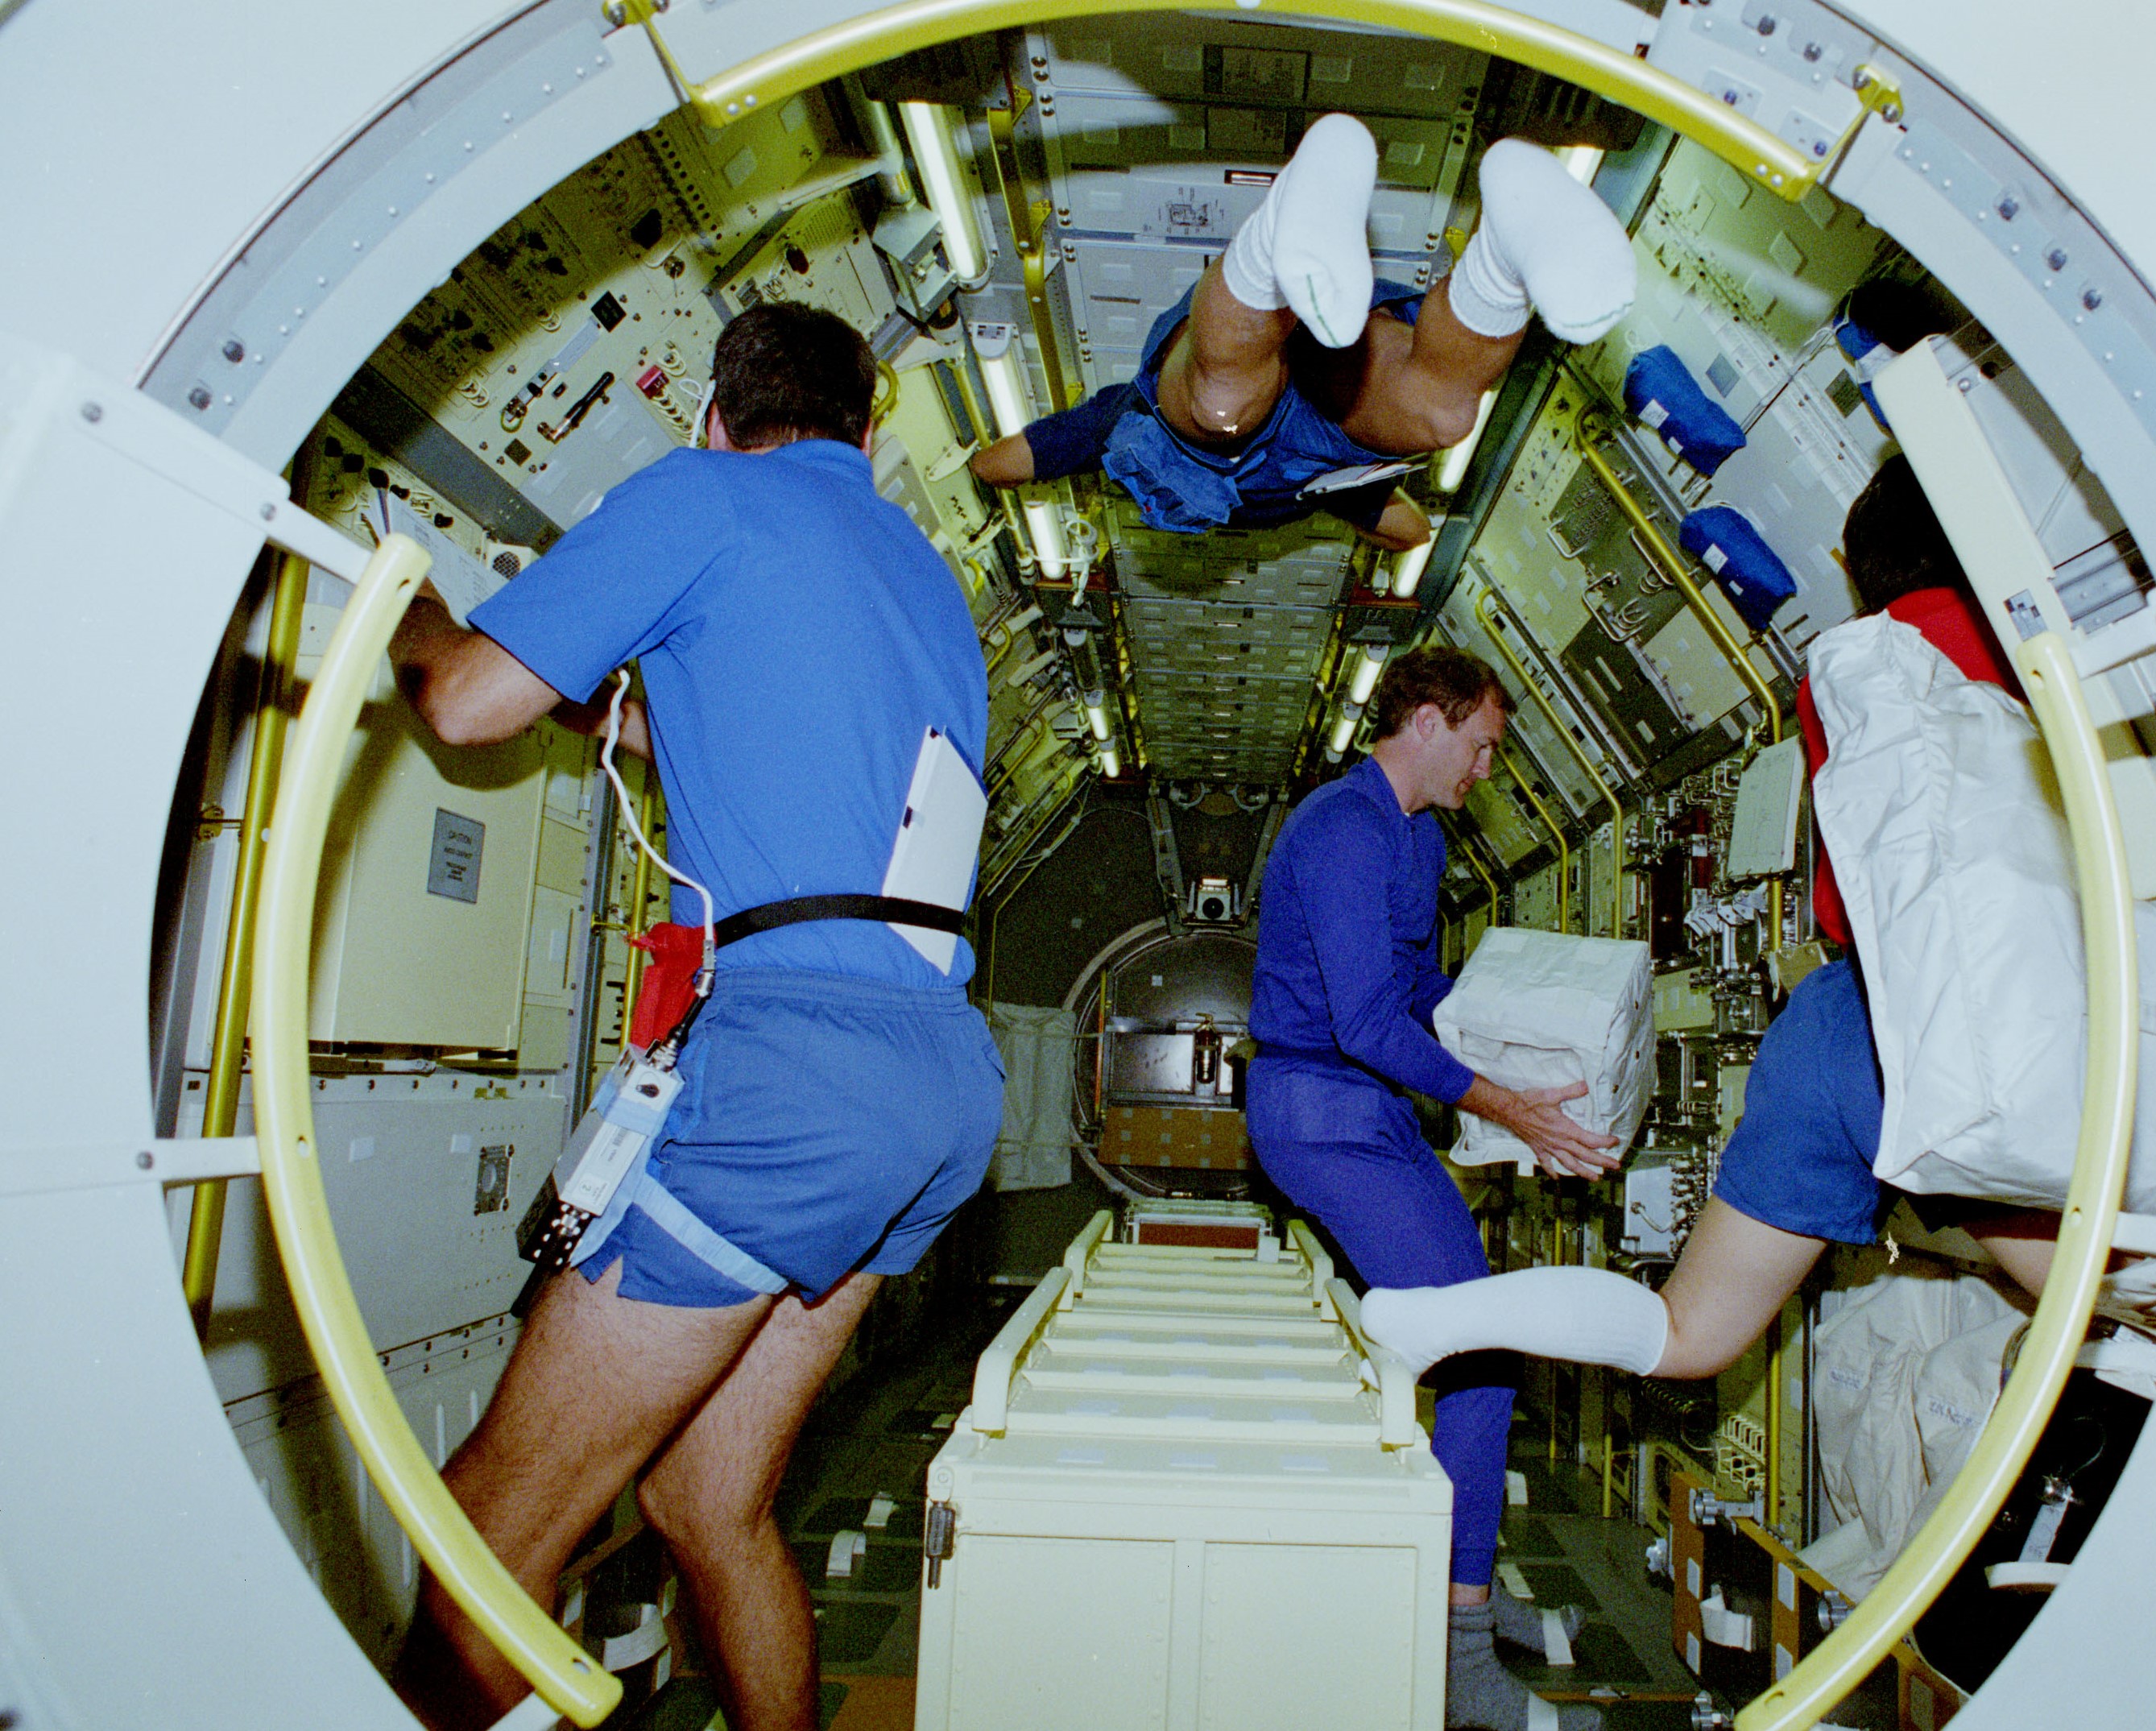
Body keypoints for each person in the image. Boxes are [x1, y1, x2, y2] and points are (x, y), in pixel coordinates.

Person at [383, 302, 1004, 1731]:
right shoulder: (919, 571)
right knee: (705, 1500)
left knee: (488, 1528)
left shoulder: (701, 493)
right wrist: (591, 686)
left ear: (712, 416)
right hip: (934, 1085)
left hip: (791, 1081)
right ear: (865, 432)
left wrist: (415, 604)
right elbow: (752, 720)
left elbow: (467, 702)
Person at [1359, 457, 2063, 1385]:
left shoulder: (1847, 668)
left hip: (1840, 1022)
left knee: (1686, 1333)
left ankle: (1437, 1321)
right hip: (2004, 992)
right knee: (2099, 1276)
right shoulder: (2028, 631)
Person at [1245, 645, 1622, 1731]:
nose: (1486, 769)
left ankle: (1455, 1577)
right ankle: (1458, 1654)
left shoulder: (1413, 837)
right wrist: (1506, 1107)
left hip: (1369, 1113)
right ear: (1425, 721)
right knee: (1480, 1351)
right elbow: (1365, 1021)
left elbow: (1419, 985)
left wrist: (1533, 1025)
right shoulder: (1342, 831)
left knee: (1480, 1347)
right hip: (1321, 1113)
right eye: (1483, 744)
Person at [970, 115, 1635, 549]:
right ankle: (1508, 252)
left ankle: (1279, 235)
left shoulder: (1103, 430)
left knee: (1220, 404)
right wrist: (1341, 514)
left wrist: (981, 475)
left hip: (1205, 402)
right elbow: (1412, 531)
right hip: (1326, 414)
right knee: (1441, 414)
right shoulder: (1319, 499)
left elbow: (1002, 461)